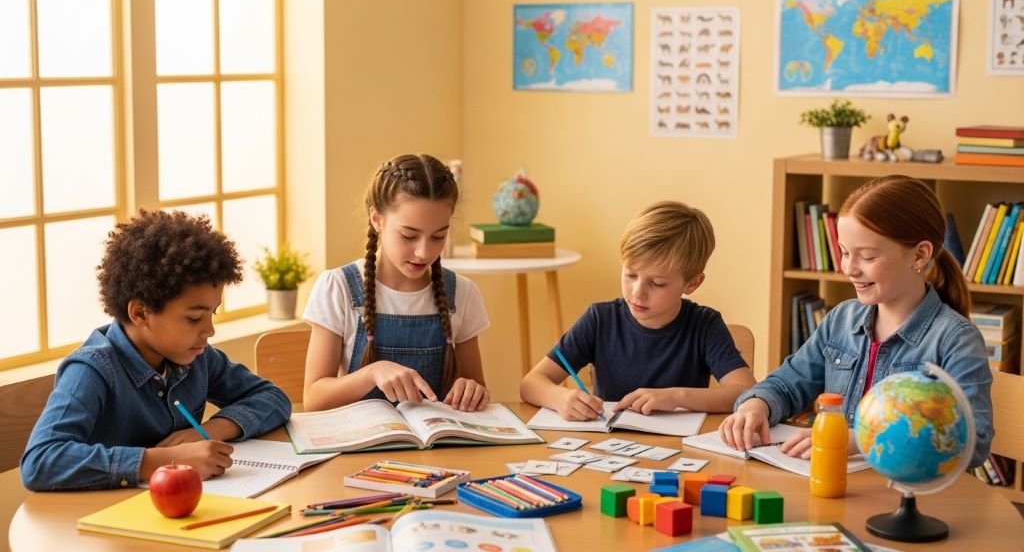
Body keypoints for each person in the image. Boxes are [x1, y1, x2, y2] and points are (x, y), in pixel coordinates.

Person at [720, 176, 993, 468]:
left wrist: (860, 440)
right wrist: (756, 405)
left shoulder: (956, 339)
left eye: (867, 256)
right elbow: (787, 384)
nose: (848, 268)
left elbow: (974, 442)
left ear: (920, 254)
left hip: (911, 496)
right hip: (835, 482)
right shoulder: (840, 320)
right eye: (845, 252)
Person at [21, 210, 292, 491]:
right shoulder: (92, 371)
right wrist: (162, 459)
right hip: (106, 521)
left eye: (213, 313)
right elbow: (40, 462)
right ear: (140, 312)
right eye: (194, 318)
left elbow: (272, 397)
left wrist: (212, 430)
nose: (209, 330)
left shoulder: (196, 357)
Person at [519, 201, 756, 420]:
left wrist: (676, 397)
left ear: (692, 283)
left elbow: (745, 392)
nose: (637, 292)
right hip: (608, 449)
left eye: (657, 283)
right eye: (630, 274)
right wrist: (561, 398)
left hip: (678, 451)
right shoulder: (600, 320)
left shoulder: (704, 325)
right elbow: (530, 384)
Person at [303, 154, 490, 412]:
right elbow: (314, 399)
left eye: (438, 236)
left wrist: (472, 391)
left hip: (438, 448)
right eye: (409, 235)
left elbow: (477, 386)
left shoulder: (462, 293)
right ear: (377, 220)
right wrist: (372, 373)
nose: (424, 252)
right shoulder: (338, 287)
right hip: (361, 448)